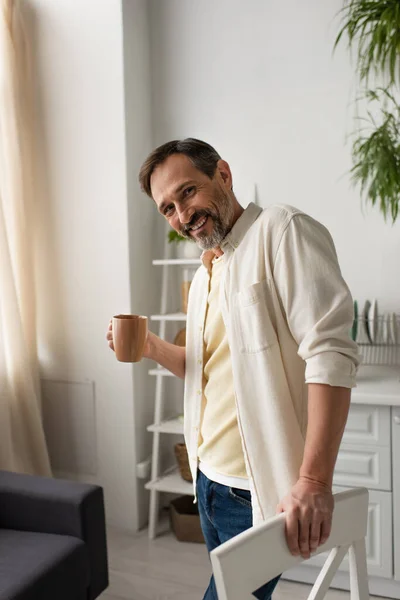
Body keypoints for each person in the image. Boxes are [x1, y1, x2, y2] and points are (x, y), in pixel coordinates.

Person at [106, 138, 360, 600]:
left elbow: (331, 356)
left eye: (187, 193)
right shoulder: (207, 271)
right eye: (167, 208)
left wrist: (315, 481)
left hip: (254, 490)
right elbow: (209, 370)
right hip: (207, 481)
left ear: (222, 174)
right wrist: (149, 346)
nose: (182, 215)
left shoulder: (282, 231)